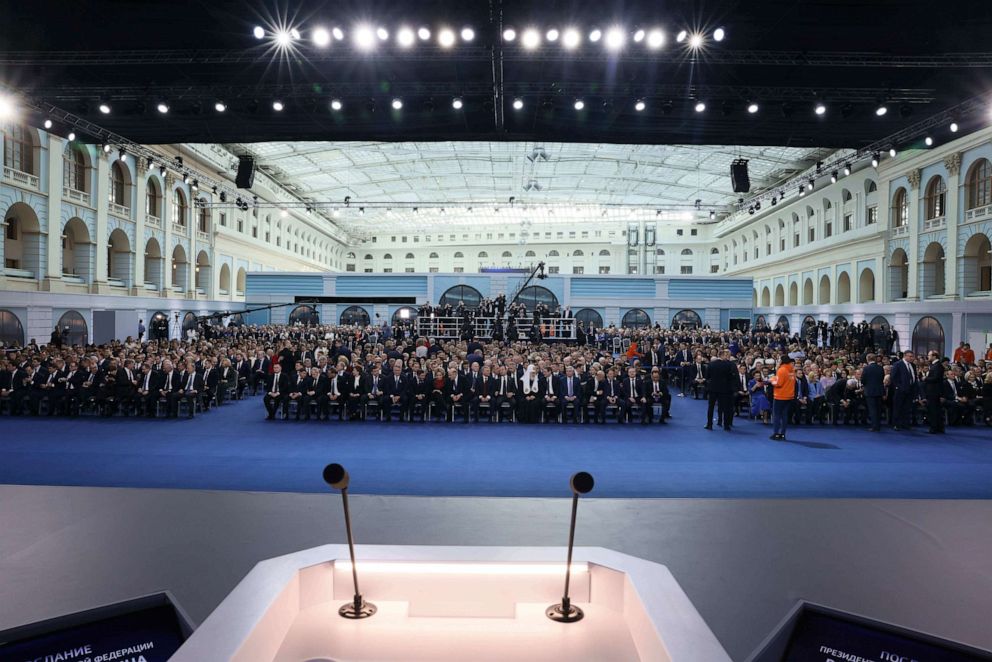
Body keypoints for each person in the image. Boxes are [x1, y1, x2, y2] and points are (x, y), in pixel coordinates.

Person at [890, 351, 917, 431]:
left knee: (907, 408)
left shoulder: (913, 365)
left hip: (910, 389)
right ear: (905, 356)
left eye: (912, 356)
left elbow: (914, 376)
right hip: (900, 390)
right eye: (910, 356)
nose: (912, 358)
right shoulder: (898, 364)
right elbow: (893, 377)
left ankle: (905, 424)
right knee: (898, 407)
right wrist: (899, 387)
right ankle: (896, 424)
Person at [769, 355, 795, 441]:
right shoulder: (792, 370)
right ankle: (783, 434)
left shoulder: (781, 370)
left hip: (780, 396)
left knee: (777, 415)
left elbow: (778, 383)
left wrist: (772, 379)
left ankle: (776, 434)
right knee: (784, 415)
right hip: (789, 396)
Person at [862, 354, 885, 431]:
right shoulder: (880, 368)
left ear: (867, 359)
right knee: (878, 409)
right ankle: (878, 425)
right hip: (879, 391)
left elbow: (863, 380)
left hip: (870, 391)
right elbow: (882, 378)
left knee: (872, 409)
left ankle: (875, 426)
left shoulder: (866, 368)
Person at [922, 351, 944, 433]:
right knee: (936, 410)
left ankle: (934, 428)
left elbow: (936, 378)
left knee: (933, 410)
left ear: (934, 356)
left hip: (934, 391)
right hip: (934, 391)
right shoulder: (935, 365)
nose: (928, 356)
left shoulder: (937, 366)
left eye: (929, 355)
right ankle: (938, 427)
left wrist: (925, 378)